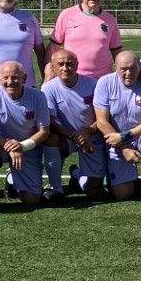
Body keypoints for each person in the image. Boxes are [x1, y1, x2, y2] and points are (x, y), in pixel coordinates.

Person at [92, 48, 141, 205]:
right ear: (115, 68)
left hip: (138, 136)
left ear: (140, 67)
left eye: (133, 68)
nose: (128, 73)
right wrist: (123, 147)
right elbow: (102, 122)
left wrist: (125, 136)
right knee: (122, 194)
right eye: (123, 69)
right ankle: (132, 181)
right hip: (116, 139)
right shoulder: (104, 83)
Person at [0, 59, 53, 211]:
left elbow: (44, 131)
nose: (10, 82)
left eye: (15, 77)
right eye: (5, 78)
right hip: (2, 146)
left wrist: (22, 146)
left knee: (31, 200)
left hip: (28, 148)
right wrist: (10, 146)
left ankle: (12, 180)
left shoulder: (38, 96)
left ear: (24, 78)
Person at [41, 47, 106, 198]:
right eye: (61, 64)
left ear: (77, 65)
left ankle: (77, 176)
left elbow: (103, 117)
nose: (65, 68)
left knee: (94, 191)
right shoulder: (48, 88)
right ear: (53, 67)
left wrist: (87, 132)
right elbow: (50, 122)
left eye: (69, 64)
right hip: (66, 138)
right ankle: (55, 188)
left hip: (92, 136)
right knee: (51, 140)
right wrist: (74, 136)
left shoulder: (93, 85)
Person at [52, 0, 123, 78]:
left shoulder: (110, 20)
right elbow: (54, 46)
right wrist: (49, 68)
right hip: (72, 78)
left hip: (102, 80)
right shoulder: (67, 15)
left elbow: (117, 51)